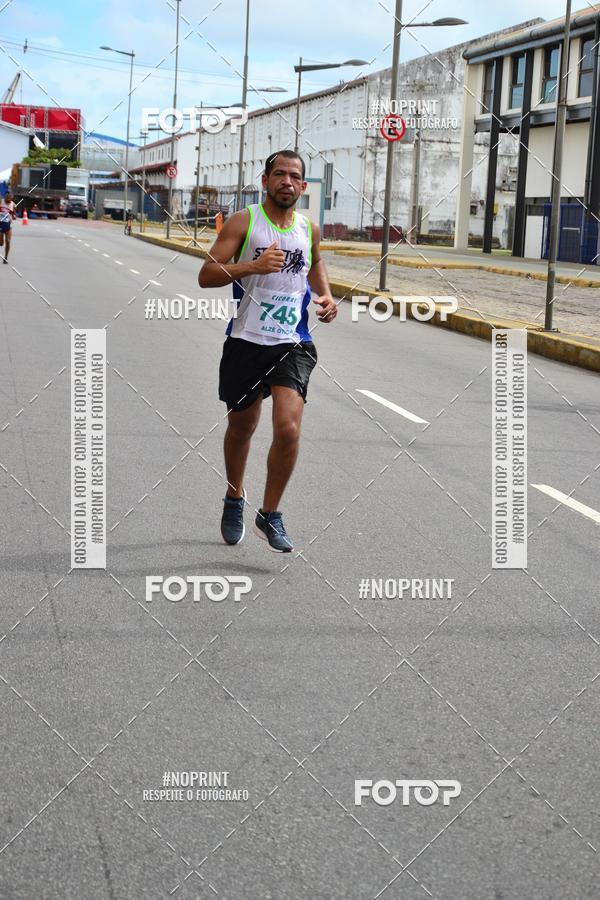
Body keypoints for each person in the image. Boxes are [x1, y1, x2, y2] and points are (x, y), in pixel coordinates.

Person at [198, 150, 337, 552]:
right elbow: (207, 274)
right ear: (265, 180)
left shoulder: (308, 229)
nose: (287, 182)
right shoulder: (246, 222)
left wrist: (326, 297)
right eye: (279, 174)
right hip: (246, 340)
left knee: (289, 428)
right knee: (241, 428)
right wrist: (251, 267)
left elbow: (315, 263)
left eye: (295, 176)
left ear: (303, 186)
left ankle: (270, 514)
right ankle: (234, 496)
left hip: (293, 343)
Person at [0, 193, 16, 264]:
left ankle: (5, 257)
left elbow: (14, 214)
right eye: (7, 198)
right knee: (1, 243)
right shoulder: (1, 201)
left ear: (11, 198)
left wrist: (14, 216)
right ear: (5, 197)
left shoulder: (13, 205)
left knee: (8, 241)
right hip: (0, 224)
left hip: (8, 225)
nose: (8, 200)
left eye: (10, 198)